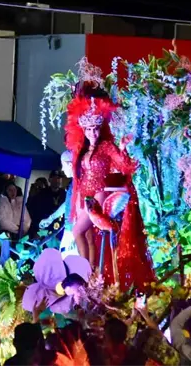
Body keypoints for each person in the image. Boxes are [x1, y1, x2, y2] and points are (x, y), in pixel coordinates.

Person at [64, 80, 154, 289]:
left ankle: (84, 274)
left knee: (77, 231)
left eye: (96, 129)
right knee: (88, 237)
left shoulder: (106, 146)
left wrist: (122, 149)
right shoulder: (82, 150)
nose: (93, 133)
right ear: (83, 130)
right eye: (89, 130)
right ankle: (91, 276)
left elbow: (125, 166)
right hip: (84, 194)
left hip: (99, 194)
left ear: (100, 128)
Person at [40, 150, 78, 257]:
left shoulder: (78, 183)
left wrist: (76, 231)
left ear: (70, 164)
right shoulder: (73, 183)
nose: (62, 169)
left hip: (74, 231)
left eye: (63, 165)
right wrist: (51, 218)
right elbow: (68, 204)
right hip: (70, 229)